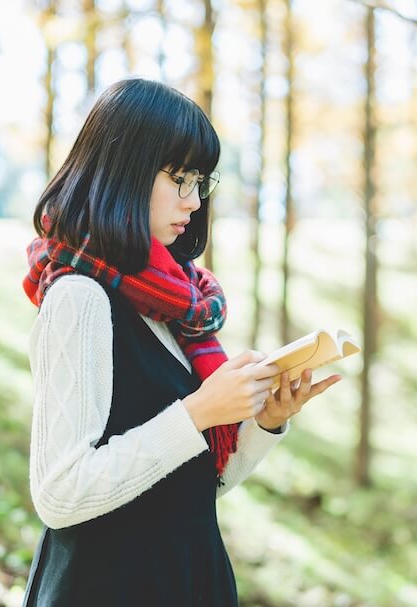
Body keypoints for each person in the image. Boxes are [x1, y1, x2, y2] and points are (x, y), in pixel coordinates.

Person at [20, 78, 342, 606]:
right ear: (124, 169)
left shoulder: (171, 303)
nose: (193, 201)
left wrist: (264, 421)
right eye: (179, 178)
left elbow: (193, 486)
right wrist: (198, 412)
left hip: (187, 577)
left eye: (200, 181)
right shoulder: (80, 297)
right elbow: (60, 493)